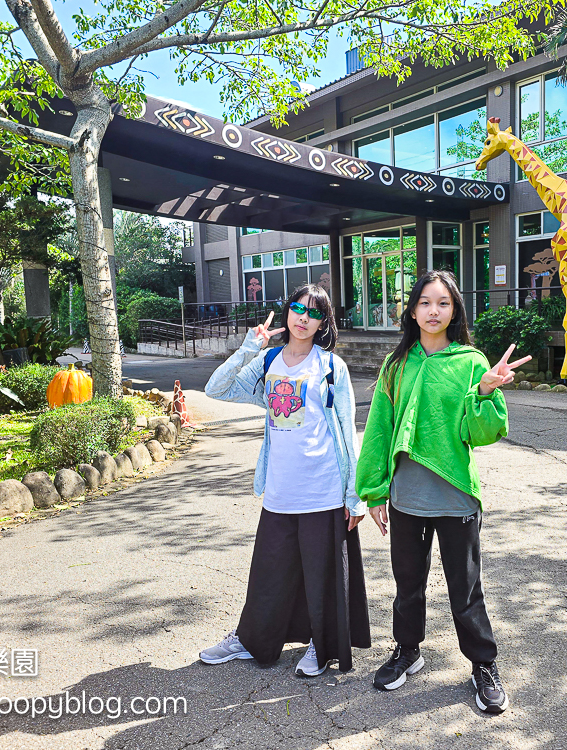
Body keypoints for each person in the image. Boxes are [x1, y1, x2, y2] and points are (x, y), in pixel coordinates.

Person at [355, 270, 530, 714]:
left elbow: (482, 433)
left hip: (456, 498)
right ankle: (407, 650)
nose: (434, 311)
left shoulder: (471, 361)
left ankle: (483, 664)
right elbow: (378, 430)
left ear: (455, 311)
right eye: (426, 302)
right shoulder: (396, 364)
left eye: (443, 303)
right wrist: (374, 491)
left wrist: (485, 390)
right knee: (407, 585)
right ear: (412, 311)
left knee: (465, 589)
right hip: (406, 498)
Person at [200, 284, 370, 677]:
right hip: (280, 489)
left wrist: (355, 496)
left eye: (314, 312)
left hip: (323, 488)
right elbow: (216, 388)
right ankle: (251, 639)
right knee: (269, 574)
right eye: (298, 308)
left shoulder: (331, 368)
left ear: (323, 323)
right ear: (287, 311)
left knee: (321, 576)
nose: (303, 318)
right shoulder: (268, 361)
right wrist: (249, 347)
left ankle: (320, 646)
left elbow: (348, 432)